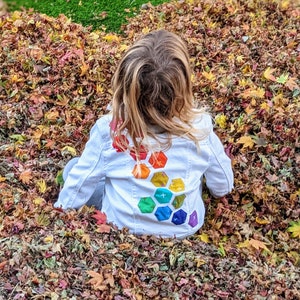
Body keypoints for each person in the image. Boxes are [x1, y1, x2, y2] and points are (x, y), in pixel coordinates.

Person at [54, 30, 234, 239]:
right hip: (185, 227)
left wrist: (60, 213)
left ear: (125, 87)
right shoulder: (199, 128)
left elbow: (79, 184)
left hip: (123, 227)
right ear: (183, 88)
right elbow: (224, 185)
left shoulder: (110, 131)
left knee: (72, 169)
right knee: (198, 173)